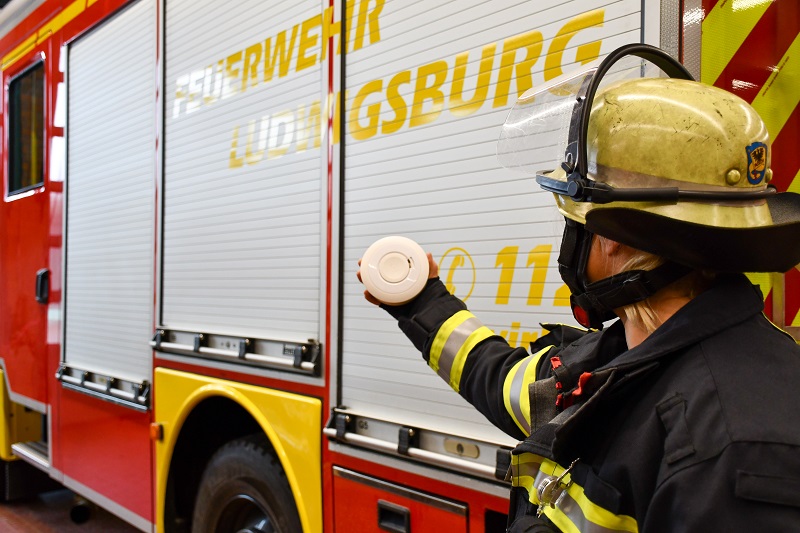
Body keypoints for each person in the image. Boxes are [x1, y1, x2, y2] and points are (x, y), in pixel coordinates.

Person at [359, 44, 800, 532]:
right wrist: (419, 300)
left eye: (573, 222)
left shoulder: (738, 447)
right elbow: (505, 383)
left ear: (612, 236)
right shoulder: (622, 356)